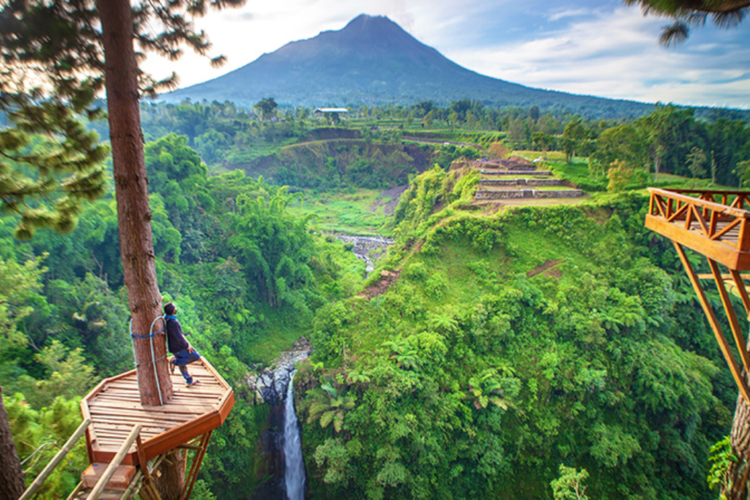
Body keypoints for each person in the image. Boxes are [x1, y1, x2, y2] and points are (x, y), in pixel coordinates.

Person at [164, 302, 200, 387]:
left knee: (182, 363)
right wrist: (187, 346)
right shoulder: (173, 323)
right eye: (175, 307)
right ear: (173, 311)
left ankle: (189, 380)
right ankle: (174, 362)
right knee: (196, 356)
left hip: (173, 347)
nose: (176, 308)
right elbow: (179, 337)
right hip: (178, 347)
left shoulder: (166, 320)